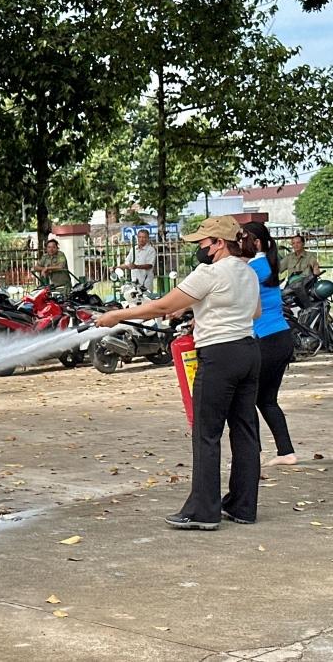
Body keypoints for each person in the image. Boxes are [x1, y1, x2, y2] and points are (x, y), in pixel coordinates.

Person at [96, 216, 261, 530]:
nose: (199, 248)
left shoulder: (209, 272)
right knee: (245, 431)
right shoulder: (247, 272)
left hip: (219, 356)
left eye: (202, 243)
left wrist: (116, 314)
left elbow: (160, 308)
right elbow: (253, 312)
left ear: (219, 243)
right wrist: (200, 310)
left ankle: (204, 512)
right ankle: (243, 506)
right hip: (248, 351)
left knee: (206, 433)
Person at [243, 222, 297, 467]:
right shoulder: (266, 265)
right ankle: (286, 452)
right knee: (266, 400)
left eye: (243, 238)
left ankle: (253, 455)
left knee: (246, 399)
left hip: (268, 340)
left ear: (256, 243)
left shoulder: (253, 268)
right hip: (280, 338)